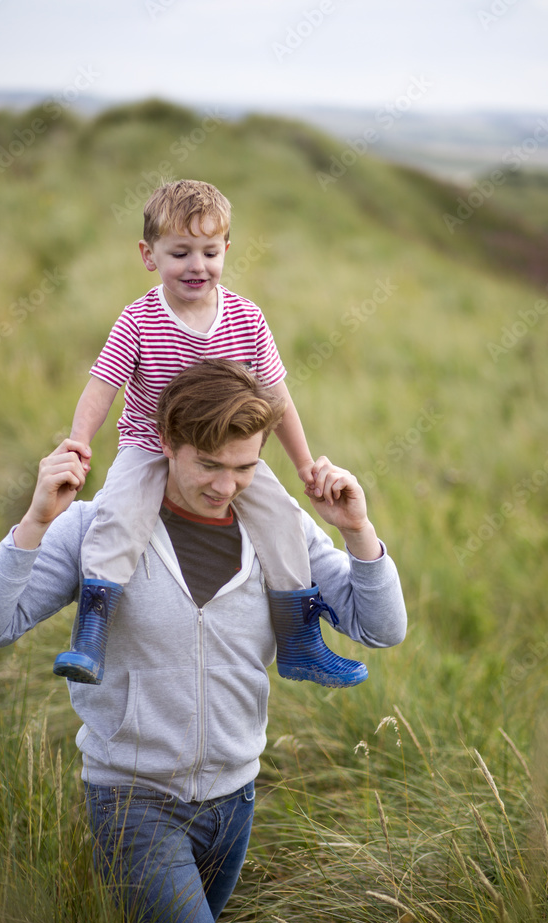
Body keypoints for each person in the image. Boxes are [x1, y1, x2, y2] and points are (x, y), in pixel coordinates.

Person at [0, 358, 407, 923]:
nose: (227, 486)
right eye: (210, 466)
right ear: (167, 445)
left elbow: (381, 628)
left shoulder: (280, 531)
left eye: (245, 467)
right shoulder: (96, 527)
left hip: (235, 801)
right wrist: (34, 525)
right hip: (135, 803)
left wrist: (358, 531)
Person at [52, 178, 366, 688]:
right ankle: (91, 632)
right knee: (119, 514)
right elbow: (102, 385)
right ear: (148, 254)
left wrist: (306, 463)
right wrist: (79, 442)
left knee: (284, 518)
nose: (196, 266)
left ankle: (300, 641)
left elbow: (278, 399)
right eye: (179, 252)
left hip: (228, 455)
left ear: (226, 251)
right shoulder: (139, 320)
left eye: (209, 251)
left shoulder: (246, 317)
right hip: (149, 445)